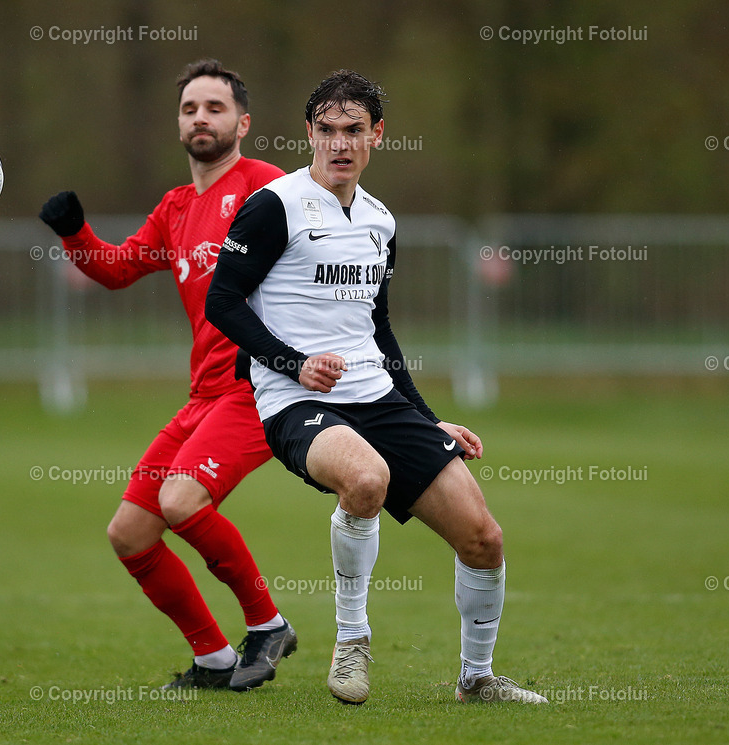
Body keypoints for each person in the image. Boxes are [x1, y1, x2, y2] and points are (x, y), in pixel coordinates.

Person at [205, 69, 547, 705]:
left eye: (353, 129)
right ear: (310, 133)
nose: (339, 143)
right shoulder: (275, 205)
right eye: (327, 129)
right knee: (365, 480)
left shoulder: (380, 220)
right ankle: (352, 640)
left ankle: (476, 679)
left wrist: (427, 417)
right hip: (296, 400)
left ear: (377, 134)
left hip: (377, 397)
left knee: (484, 538)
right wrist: (292, 363)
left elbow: (377, 328)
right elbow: (221, 300)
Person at [39, 59, 296, 692]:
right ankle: (213, 658)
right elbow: (117, 268)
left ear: (243, 123)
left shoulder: (270, 187)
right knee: (130, 534)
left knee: (182, 502)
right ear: (178, 124)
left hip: (258, 386)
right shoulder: (177, 208)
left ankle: (268, 624)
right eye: (189, 109)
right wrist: (74, 231)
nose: (200, 118)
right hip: (203, 395)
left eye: (215, 107)